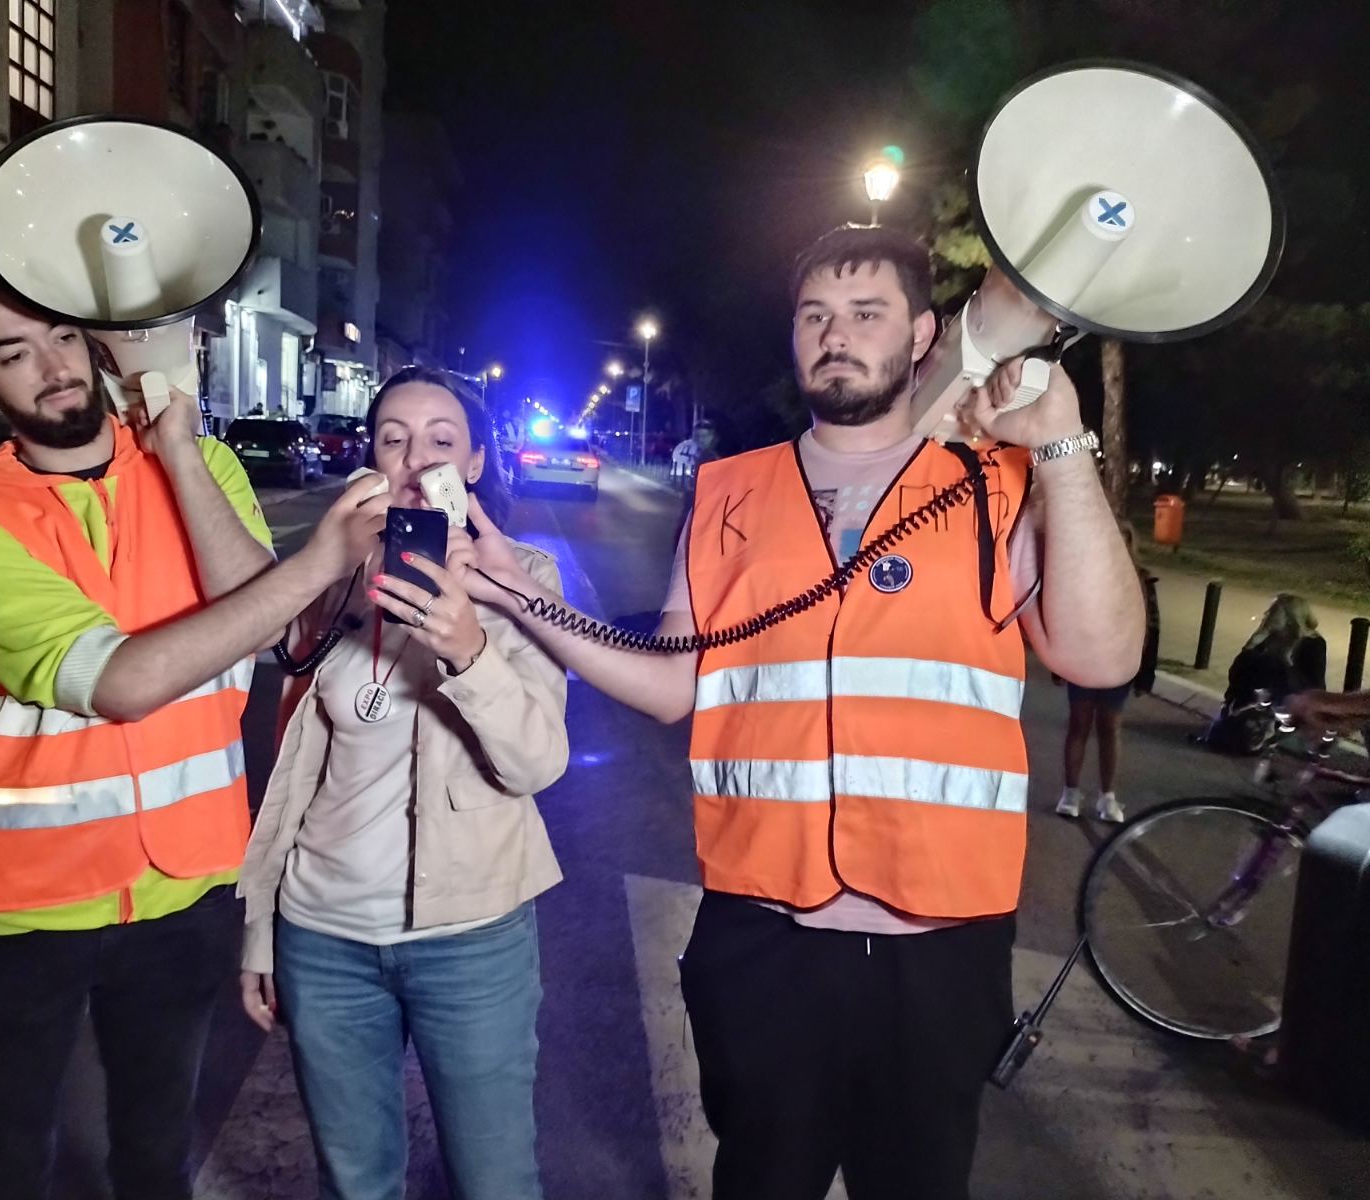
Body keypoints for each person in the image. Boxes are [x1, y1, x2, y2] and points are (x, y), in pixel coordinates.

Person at [460, 225, 1145, 1200]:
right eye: (815, 315)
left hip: (938, 940)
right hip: (763, 933)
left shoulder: (996, 480)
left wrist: (1067, 451)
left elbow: (1104, 654)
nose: (836, 334)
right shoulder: (728, 491)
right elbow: (674, 679)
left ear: (920, 337)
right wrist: (512, 595)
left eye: (866, 314)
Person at [0, 247, 392, 1200]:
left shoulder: (198, 462)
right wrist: (319, 560)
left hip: (183, 891)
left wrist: (178, 447)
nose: (56, 367)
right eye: (13, 351)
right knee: (6, 1166)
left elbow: (261, 627)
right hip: (27, 903)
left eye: (64, 333)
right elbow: (122, 682)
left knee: (155, 1159)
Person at [237, 366, 568, 1200]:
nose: (416, 460)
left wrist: (470, 648)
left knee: (496, 1181)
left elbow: (536, 762)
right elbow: (292, 768)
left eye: (441, 441)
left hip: (473, 940)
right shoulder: (332, 575)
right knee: (357, 1182)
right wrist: (261, 929)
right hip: (324, 937)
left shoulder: (522, 579)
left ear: (479, 464)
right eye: (394, 439)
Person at [1055, 520, 1161, 822]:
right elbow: (1067, 615)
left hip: (1120, 663)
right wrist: (1061, 661)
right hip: (1084, 659)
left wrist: (1145, 674)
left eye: (1124, 543)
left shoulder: (1141, 581)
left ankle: (1107, 797)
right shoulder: (1086, 576)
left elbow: (1151, 629)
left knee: (1109, 728)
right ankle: (1070, 793)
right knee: (1079, 725)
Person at [1202, 593, 1327, 754]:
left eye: (1274, 611)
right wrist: (1256, 639)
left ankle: (1264, 726)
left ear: (1290, 616)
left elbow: (1316, 685)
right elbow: (1237, 672)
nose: (1267, 614)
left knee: (1270, 664)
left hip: (1292, 696)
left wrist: (1286, 663)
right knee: (1256, 660)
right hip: (1263, 695)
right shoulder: (1269, 637)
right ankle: (1239, 715)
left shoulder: (1313, 643)